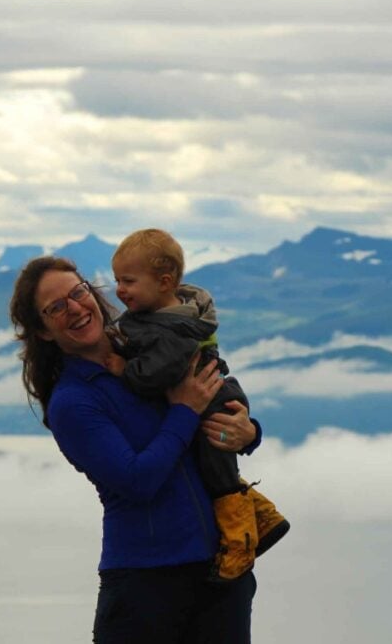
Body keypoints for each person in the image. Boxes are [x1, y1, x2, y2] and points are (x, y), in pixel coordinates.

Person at [9, 256, 259, 643]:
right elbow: (139, 480)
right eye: (56, 307)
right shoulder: (73, 403)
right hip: (145, 587)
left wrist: (247, 432)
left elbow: (213, 411)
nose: (75, 307)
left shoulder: (147, 351)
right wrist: (182, 410)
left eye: (78, 292)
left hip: (221, 573)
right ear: (42, 331)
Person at [108, 228, 289, 581]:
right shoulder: (160, 314)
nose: (119, 289)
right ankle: (263, 516)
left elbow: (156, 374)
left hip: (214, 405)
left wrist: (123, 369)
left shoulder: (173, 329)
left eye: (128, 280)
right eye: (117, 280)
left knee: (217, 473)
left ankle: (241, 541)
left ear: (164, 282)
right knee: (217, 469)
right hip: (214, 397)